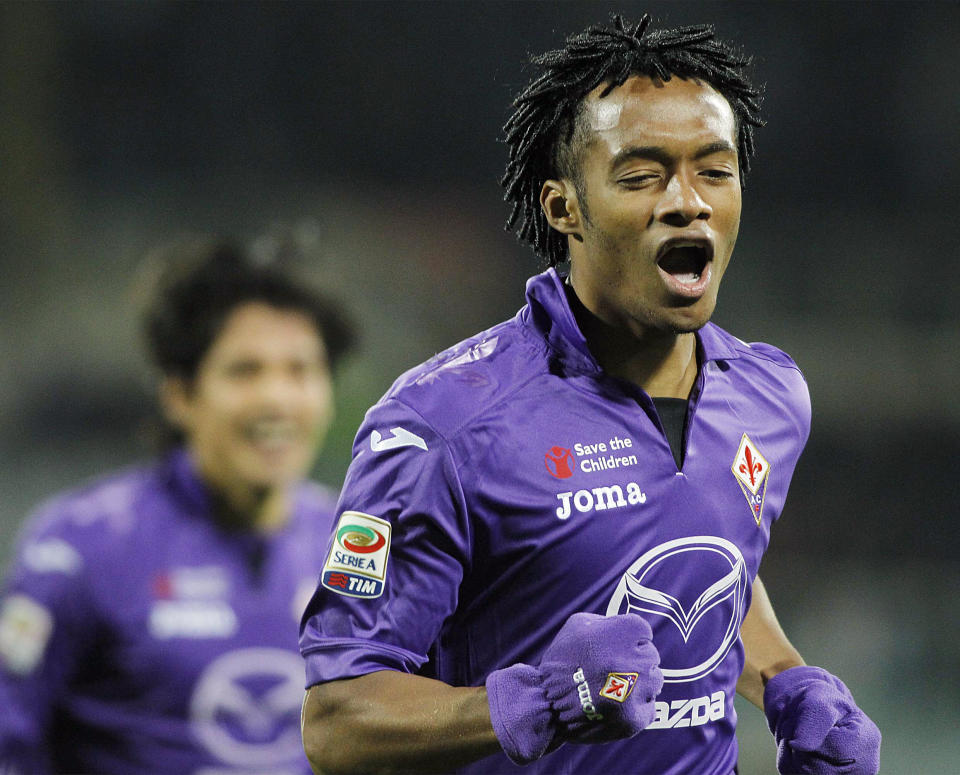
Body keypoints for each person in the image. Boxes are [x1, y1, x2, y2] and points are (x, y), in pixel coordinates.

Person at [299, 13, 881, 775]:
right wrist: (534, 702)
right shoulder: (444, 427)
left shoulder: (771, 394)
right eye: (641, 176)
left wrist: (786, 679)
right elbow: (337, 721)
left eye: (714, 169)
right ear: (562, 207)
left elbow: (710, 557)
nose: (687, 201)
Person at [0, 237, 355, 774]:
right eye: (245, 370)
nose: (278, 399)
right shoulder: (79, 550)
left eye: (300, 370)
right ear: (179, 395)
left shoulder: (357, 545)